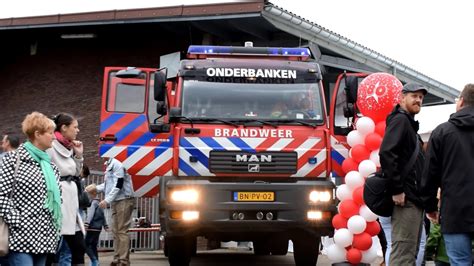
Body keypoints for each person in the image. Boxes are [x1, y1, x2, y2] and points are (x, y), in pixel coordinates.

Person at [420, 83, 474, 265]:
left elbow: (430, 175)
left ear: (462, 102)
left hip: (455, 210)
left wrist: (430, 207)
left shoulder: (442, 132)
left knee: (459, 262)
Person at [0, 112, 62, 265]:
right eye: (50, 133)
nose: (54, 137)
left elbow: (57, 200)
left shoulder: (51, 167)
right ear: (37, 134)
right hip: (20, 238)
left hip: (45, 240)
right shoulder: (13, 160)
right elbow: (1, 195)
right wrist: (18, 222)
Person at [379, 83, 427, 265]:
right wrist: (397, 189)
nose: (418, 100)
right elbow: (387, 153)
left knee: (409, 252)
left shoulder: (407, 122)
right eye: (414, 96)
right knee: (403, 253)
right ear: (402, 98)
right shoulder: (400, 120)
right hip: (405, 200)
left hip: (412, 199)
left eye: (421, 97)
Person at [47, 113, 86, 266]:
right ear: (63, 128)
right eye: (74, 127)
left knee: (79, 246)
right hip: (57, 200)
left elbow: (76, 173)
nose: (77, 130)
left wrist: (79, 155)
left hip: (71, 200)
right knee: (51, 248)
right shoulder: (50, 146)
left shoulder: (68, 146)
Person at [86, 157, 135, 266]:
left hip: (124, 199)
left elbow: (119, 183)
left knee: (121, 231)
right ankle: (117, 258)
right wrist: (96, 188)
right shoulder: (110, 164)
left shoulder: (117, 164)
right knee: (116, 231)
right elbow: (110, 184)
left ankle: (123, 261)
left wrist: (107, 200)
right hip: (117, 200)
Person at [84, 188, 108, 266]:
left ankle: (94, 260)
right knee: (94, 246)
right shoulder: (100, 203)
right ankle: (96, 262)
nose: (86, 195)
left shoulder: (93, 203)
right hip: (98, 228)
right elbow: (103, 216)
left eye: (87, 193)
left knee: (86, 245)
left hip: (92, 227)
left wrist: (87, 223)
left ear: (92, 194)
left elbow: (90, 214)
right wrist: (105, 225)